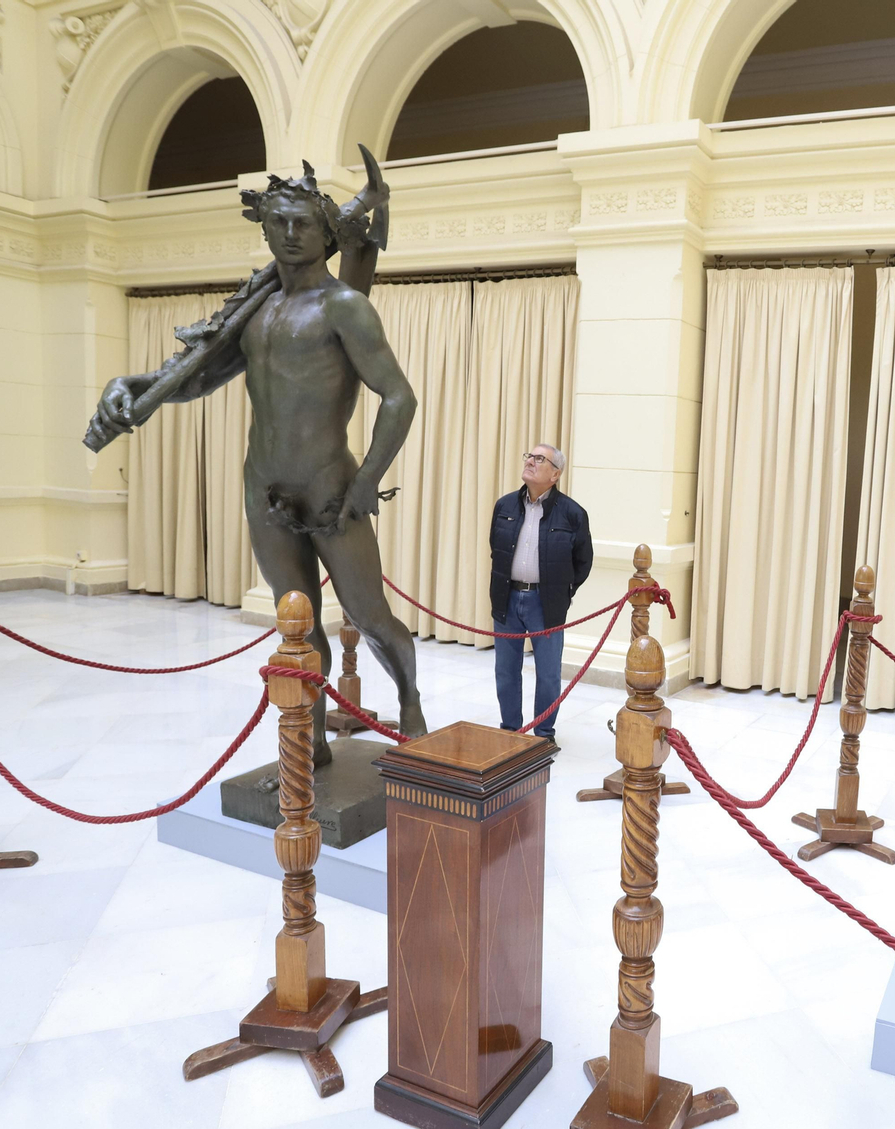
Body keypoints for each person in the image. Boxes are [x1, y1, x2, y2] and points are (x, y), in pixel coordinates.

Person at [88, 162, 426, 760]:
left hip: (330, 489)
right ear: (265, 232)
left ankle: (410, 703)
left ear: (326, 234)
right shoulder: (254, 314)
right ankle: (310, 741)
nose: (290, 233)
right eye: (278, 223)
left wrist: (369, 478)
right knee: (296, 622)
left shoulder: (344, 306)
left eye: (302, 222)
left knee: (371, 616)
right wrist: (127, 381)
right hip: (264, 489)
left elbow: (399, 397)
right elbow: (193, 379)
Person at [490, 444, 593, 743]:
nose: (531, 462)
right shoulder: (505, 505)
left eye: (539, 459)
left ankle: (543, 734)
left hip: (545, 604)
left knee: (547, 675)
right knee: (506, 671)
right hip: (507, 598)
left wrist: (563, 591)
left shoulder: (572, 513)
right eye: (529, 457)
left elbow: (583, 561)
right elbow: (494, 547)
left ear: (555, 474)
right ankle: (511, 731)